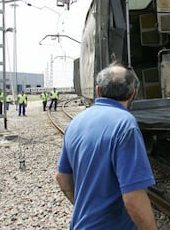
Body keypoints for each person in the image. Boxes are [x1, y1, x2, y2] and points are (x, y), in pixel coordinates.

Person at [56, 63, 157, 229]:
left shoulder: (75, 123)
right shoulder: (126, 125)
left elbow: (62, 178)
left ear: (97, 91)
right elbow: (133, 199)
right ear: (133, 94)